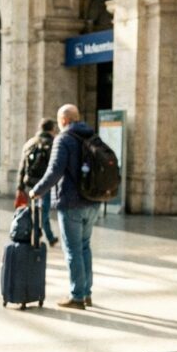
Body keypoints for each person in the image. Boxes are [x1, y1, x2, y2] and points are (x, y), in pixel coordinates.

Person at [30, 104, 100, 310]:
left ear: (63, 121)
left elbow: (55, 170)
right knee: (85, 246)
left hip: (71, 203)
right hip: (92, 201)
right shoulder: (91, 136)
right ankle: (87, 292)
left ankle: (77, 295)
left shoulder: (64, 139)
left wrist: (37, 190)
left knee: (73, 250)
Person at [17, 118, 60, 247]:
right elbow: (55, 167)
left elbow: (22, 166)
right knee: (44, 212)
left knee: (32, 209)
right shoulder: (52, 143)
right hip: (44, 183)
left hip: (29, 182)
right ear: (52, 129)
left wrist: (20, 185)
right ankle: (47, 236)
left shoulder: (30, 143)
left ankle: (36, 233)